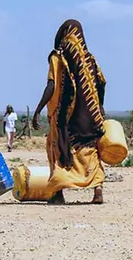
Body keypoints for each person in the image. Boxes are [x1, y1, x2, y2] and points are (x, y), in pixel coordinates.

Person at [32, 19, 106, 205]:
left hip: (63, 116)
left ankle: (58, 193)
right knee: (90, 151)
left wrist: (38, 109)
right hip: (89, 117)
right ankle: (97, 190)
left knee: (59, 149)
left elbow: (51, 85)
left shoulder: (58, 58)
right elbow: (101, 83)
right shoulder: (89, 58)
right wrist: (99, 108)